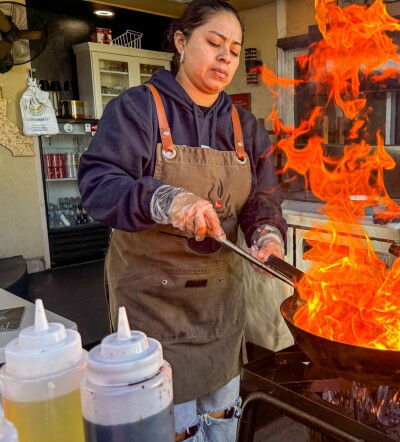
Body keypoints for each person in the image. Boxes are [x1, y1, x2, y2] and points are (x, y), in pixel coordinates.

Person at [78, 0, 287, 440]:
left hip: (220, 308)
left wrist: (267, 232)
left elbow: (262, 199)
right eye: (214, 42)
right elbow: (98, 186)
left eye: (234, 47)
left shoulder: (245, 126)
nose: (226, 56)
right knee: (167, 425)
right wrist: (164, 199)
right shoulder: (138, 110)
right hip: (154, 308)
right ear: (180, 40)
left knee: (221, 418)